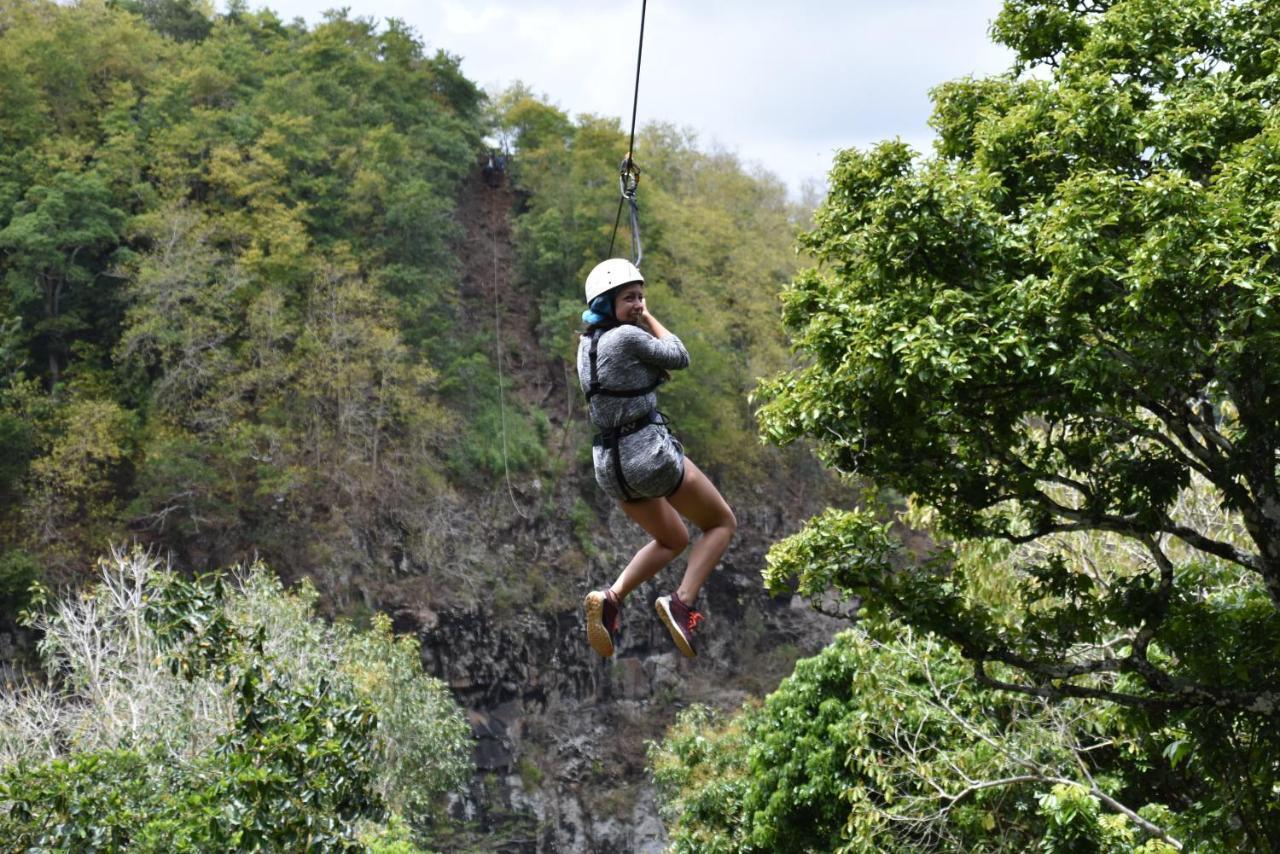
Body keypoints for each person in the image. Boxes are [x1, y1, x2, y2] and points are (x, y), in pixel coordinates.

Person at [577, 258, 736, 659]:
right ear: (606, 303)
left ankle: (612, 597)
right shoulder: (628, 337)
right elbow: (679, 355)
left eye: (641, 297)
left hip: (610, 467)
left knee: (673, 539)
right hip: (648, 457)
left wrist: (631, 306)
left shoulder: (586, 345)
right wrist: (648, 317)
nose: (638, 304)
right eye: (630, 298)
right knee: (720, 523)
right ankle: (681, 603)